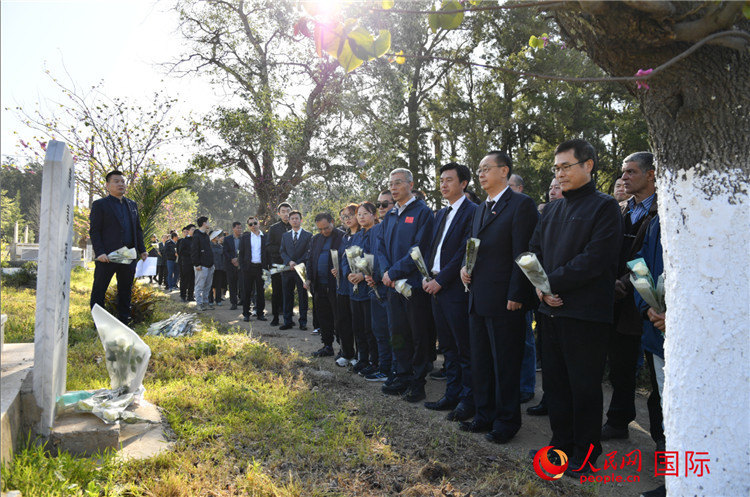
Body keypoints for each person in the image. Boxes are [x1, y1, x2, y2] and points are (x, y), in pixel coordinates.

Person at [529, 139, 622, 475]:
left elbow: (595, 260)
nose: (560, 174)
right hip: (549, 311)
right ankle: (560, 447)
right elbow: (534, 251)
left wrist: (550, 283)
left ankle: (585, 455)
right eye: (556, 168)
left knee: (583, 387)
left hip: (585, 314)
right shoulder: (552, 210)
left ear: (588, 165)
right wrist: (541, 288)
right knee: (555, 386)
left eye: (566, 166)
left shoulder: (605, 207)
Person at [458, 152, 538, 443]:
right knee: (481, 361)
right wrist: (464, 267)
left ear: (504, 171)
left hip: (505, 299)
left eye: (486, 169)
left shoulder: (521, 204)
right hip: (478, 296)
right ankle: (484, 415)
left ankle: (506, 422)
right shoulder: (481, 208)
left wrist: (517, 293)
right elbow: (473, 246)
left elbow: (523, 252)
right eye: (479, 170)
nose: (480, 174)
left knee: (505, 363)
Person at [602, 152, 658, 441]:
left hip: (650, 304)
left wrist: (624, 283)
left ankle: (662, 439)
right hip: (617, 303)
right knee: (620, 367)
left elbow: (651, 258)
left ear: (651, 174)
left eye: (631, 172)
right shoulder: (619, 210)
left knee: (657, 375)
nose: (623, 178)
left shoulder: (665, 211)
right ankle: (618, 421)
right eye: (623, 172)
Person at [423, 163, 478, 422]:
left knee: (463, 347)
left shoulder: (472, 211)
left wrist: (442, 281)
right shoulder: (441, 213)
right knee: (447, 347)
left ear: (463, 183)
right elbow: (434, 248)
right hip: (435, 286)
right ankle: (452, 394)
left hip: (456, 288)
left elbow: (462, 253)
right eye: (441, 180)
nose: (443, 184)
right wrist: (427, 276)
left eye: (449, 180)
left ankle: (469, 400)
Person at [378, 168, 435, 403]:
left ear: (410, 185)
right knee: (397, 333)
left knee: (418, 333)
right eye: (391, 183)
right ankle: (402, 375)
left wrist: (394, 272)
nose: (393, 187)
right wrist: (386, 272)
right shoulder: (390, 215)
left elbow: (419, 249)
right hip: (392, 286)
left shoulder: (423, 212)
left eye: (398, 183)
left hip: (413, 286)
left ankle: (418, 381)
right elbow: (380, 247)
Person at [89, 170, 148, 323]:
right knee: (99, 290)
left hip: (128, 255)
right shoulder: (100, 205)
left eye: (122, 181)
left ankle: (124, 321)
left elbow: (137, 229)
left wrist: (142, 250)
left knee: (125, 290)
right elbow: (95, 231)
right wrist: (100, 252)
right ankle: (99, 323)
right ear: (108, 185)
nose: (121, 184)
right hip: (107, 256)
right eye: (116, 181)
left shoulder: (132, 205)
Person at [635, 214, 666, 497]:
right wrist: (648, 306)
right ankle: (674, 479)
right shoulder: (657, 221)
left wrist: (678, 313)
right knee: (669, 407)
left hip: (698, 336)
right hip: (658, 331)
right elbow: (641, 265)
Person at [509, 173, 537, 405]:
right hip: (503, 288)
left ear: (519, 188)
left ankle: (526, 386)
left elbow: (526, 252)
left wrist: (518, 290)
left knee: (525, 340)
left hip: (522, 288)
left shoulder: (525, 207)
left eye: (509, 186)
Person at [343, 202, 380, 375]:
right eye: (359, 214)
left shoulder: (378, 233)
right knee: (358, 327)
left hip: (370, 288)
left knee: (370, 328)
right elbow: (345, 258)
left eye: (365, 213)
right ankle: (362, 358)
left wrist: (364, 275)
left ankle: (374, 360)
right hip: (354, 289)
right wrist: (348, 274)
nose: (362, 217)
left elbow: (377, 258)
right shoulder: (356, 236)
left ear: (374, 215)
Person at [363, 190, 395, 381]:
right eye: (379, 205)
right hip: (374, 289)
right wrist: (368, 274)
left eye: (385, 204)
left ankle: (396, 370)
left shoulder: (397, 226)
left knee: (395, 333)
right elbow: (368, 255)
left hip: (392, 287)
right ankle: (384, 367)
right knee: (380, 331)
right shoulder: (374, 230)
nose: (381, 208)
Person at [307, 212, 344, 357]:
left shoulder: (342, 237)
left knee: (339, 318)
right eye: (320, 229)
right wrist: (309, 278)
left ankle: (344, 349)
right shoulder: (316, 239)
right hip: (319, 285)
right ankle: (327, 346)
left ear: (332, 222)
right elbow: (310, 259)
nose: (324, 231)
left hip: (336, 285)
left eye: (326, 228)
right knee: (323, 317)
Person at [332, 205, 360, 366]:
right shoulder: (344, 237)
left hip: (357, 285)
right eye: (344, 216)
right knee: (343, 321)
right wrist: (338, 270)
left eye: (350, 215)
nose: (347, 219)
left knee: (358, 323)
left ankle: (360, 355)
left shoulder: (363, 235)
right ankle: (347, 352)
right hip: (342, 285)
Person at [279, 210, 311, 330]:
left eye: (297, 218)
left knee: (302, 297)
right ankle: (287, 321)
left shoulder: (308, 235)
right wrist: (289, 262)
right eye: (292, 219)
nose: (294, 220)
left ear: (301, 220)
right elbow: (282, 251)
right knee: (287, 296)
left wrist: (297, 263)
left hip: (301, 270)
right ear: (289, 221)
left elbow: (309, 252)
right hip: (288, 270)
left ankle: (303, 322)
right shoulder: (285, 235)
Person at [266, 203, 293, 326]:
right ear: (279, 213)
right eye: (283, 211)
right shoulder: (274, 228)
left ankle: (289, 318)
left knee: (290, 291)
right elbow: (269, 246)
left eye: (288, 211)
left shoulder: (295, 226)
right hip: (277, 264)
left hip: (292, 265)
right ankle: (275, 317)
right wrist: (283, 251)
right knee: (276, 291)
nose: (286, 214)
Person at [239, 215, 269, 322]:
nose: (253, 226)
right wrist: (243, 267)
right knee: (247, 291)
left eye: (255, 223)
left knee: (261, 292)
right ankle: (246, 314)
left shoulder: (265, 237)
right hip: (248, 268)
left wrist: (268, 267)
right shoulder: (245, 238)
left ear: (259, 224)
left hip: (261, 268)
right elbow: (241, 254)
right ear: (248, 226)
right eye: (250, 224)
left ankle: (260, 313)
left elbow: (268, 253)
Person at [191, 216, 215, 311]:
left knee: (207, 286)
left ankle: (205, 302)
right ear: (204, 223)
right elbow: (194, 251)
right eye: (208, 222)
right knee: (199, 286)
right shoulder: (196, 236)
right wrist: (197, 264)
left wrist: (212, 264)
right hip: (201, 266)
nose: (209, 223)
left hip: (209, 265)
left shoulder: (206, 235)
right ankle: (199, 304)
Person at [224, 221, 244, 310]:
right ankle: (233, 302)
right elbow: (225, 251)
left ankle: (243, 300)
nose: (239, 229)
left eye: (240, 228)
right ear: (233, 228)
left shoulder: (244, 238)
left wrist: (239, 260)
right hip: (230, 265)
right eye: (237, 228)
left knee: (242, 284)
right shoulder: (227, 239)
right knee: (232, 285)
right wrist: (232, 259)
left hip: (241, 265)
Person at [178, 225, 196, 302]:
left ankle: (190, 296)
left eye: (195, 229)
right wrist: (191, 253)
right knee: (184, 280)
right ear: (188, 231)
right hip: (186, 263)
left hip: (194, 263)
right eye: (192, 229)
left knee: (192, 280)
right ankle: (183, 296)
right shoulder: (184, 240)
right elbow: (181, 251)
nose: (194, 231)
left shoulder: (195, 240)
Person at [209, 230, 226, 306]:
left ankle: (218, 300)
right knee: (210, 284)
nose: (218, 237)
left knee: (218, 284)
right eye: (216, 235)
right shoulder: (208, 246)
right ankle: (210, 300)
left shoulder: (220, 246)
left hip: (219, 268)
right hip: (211, 267)